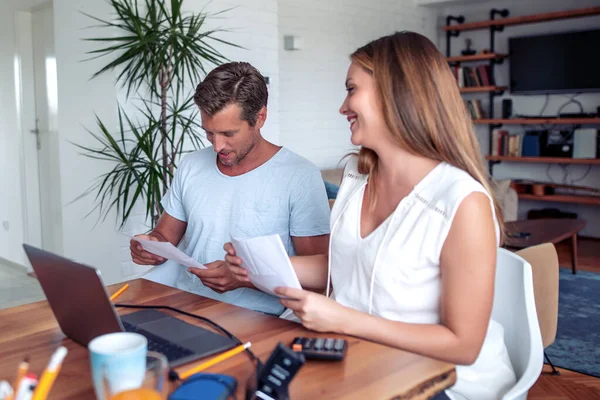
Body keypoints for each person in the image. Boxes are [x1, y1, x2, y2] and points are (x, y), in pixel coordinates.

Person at [225, 33, 516, 399]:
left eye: (352, 89)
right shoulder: (357, 177)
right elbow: (348, 264)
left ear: (397, 93)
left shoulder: (461, 201)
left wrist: (343, 319)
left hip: (441, 380)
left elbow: (463, 345)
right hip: (364, 355)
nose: (343, 107)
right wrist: (264, 266)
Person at [130, 61, 330, 316]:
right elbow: (163, 236)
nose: (217, 146)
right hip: (183, 303)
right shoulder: (191, 165)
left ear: (260, 118)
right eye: (209, 133)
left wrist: (245, 278)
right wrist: (150, 246)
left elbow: (320, 278)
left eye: (228, 133)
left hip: (258, 318)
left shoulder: (299, 176)